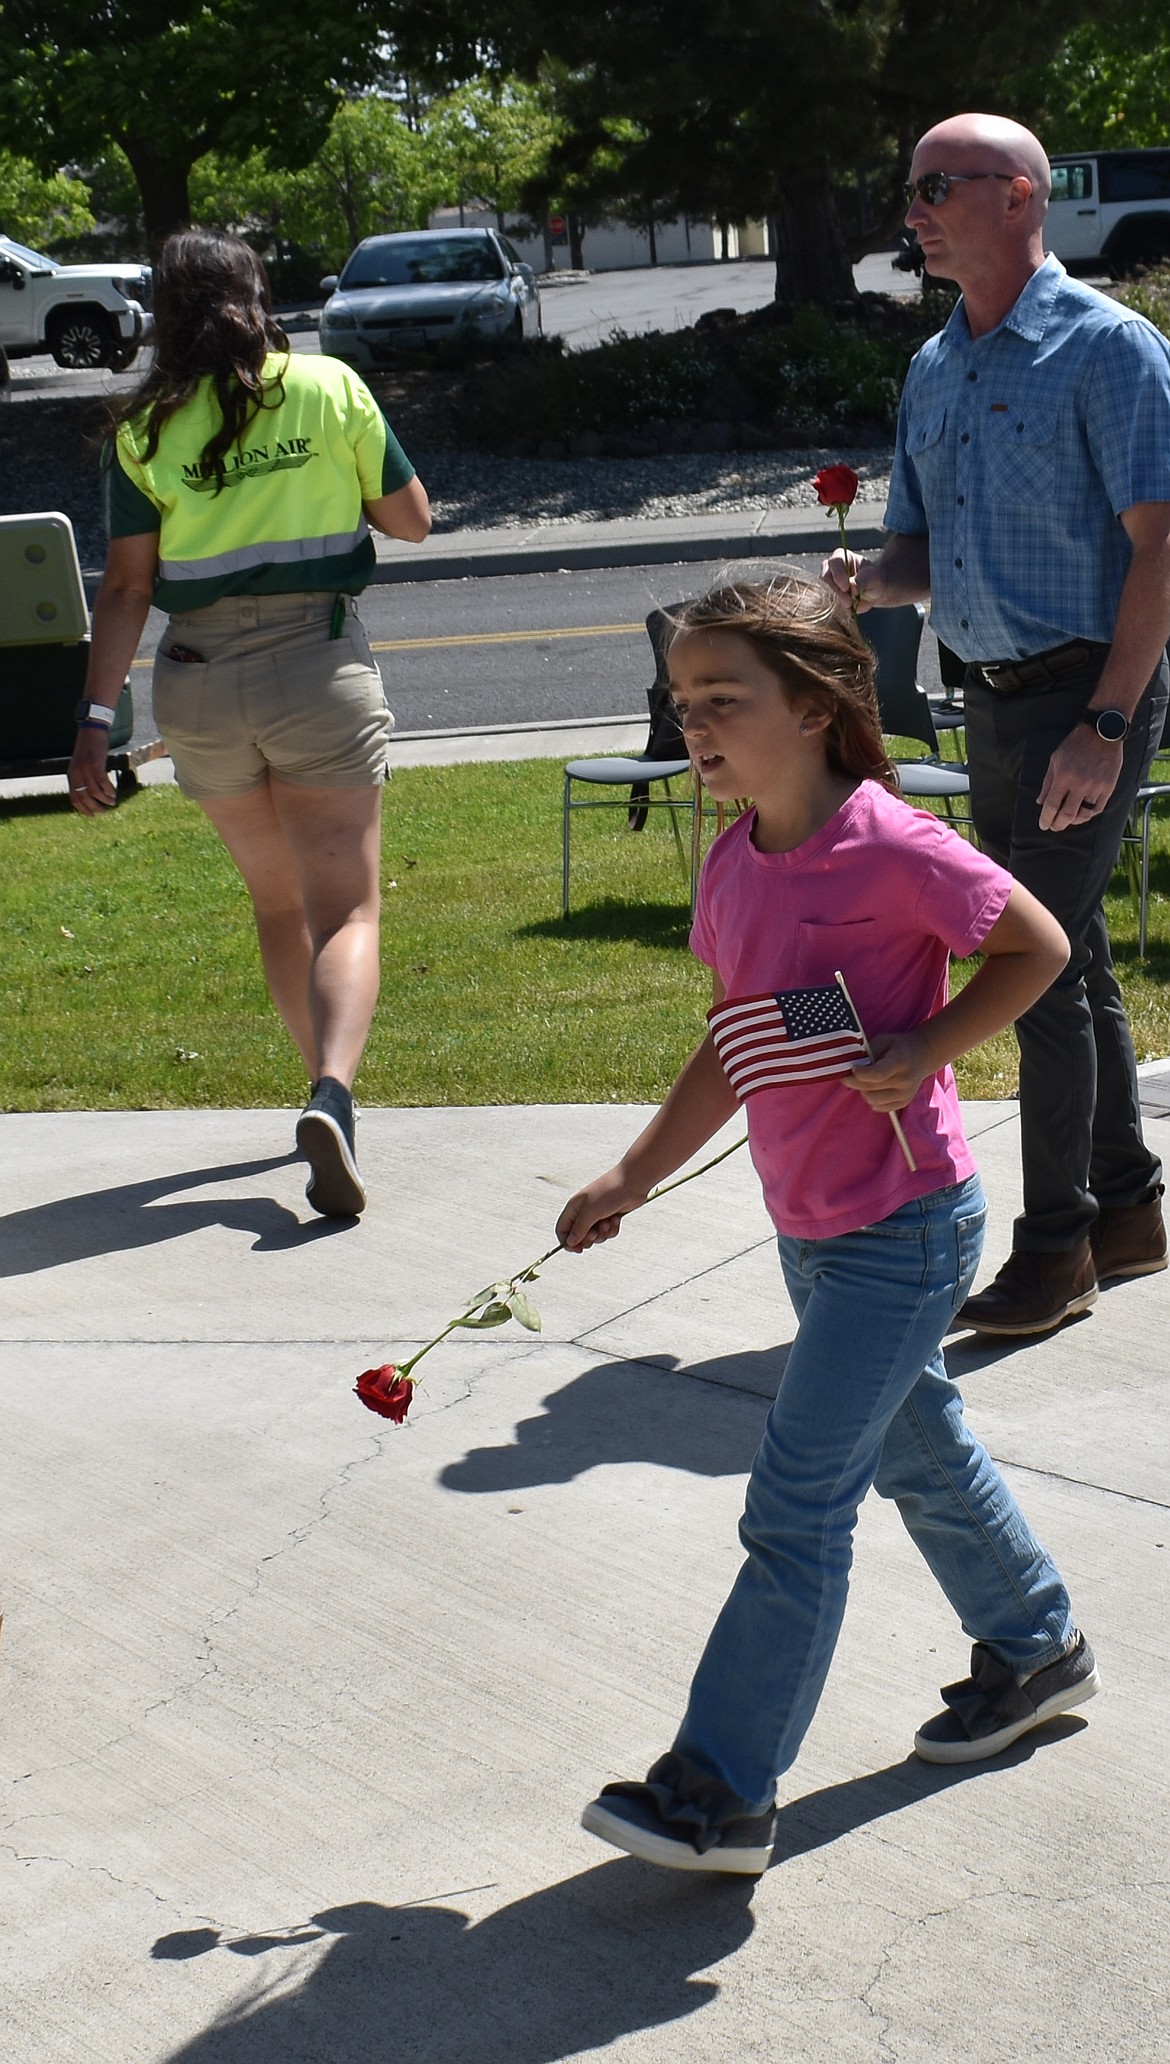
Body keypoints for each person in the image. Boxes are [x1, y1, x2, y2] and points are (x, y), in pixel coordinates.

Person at [556, 576, 1097, 1876]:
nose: (694, 723)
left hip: (905, 1228)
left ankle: (718, 1789)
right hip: (811, 1227)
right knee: (917, 1451)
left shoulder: (888, 843)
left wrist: (922, 1045)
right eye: (683, 701)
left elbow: (1034, 950)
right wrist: (633, 1173)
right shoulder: (735, 862)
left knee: (796, 1502)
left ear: (815, 705)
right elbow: (731, 1045)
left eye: (723, 699)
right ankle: (1036, 1649)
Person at [825, 112, 1170, 1335]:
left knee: (1032, 963)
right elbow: (927, 551)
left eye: (936, 187)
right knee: (1068, 951)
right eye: (908, 187)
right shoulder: (936, 366)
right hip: (991, 698)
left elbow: (1159, 546)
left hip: (1089, 693)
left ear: (1019, 198)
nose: (911, 209)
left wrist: (1112, 722)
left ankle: (1057, 1245)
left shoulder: (1108, 348)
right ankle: (1127, 1210)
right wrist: (870, 579)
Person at [68, 229, 431, 1219]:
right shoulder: (328, 387)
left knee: (280, 907)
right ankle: (334, 1097)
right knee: (349, 909)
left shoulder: (143, 430)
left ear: (164, 313)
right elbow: (412, 519)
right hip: (317, 667)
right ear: (257, 294)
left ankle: (321, 1092)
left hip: (197, 681)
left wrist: (97, 721)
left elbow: (129, 587)